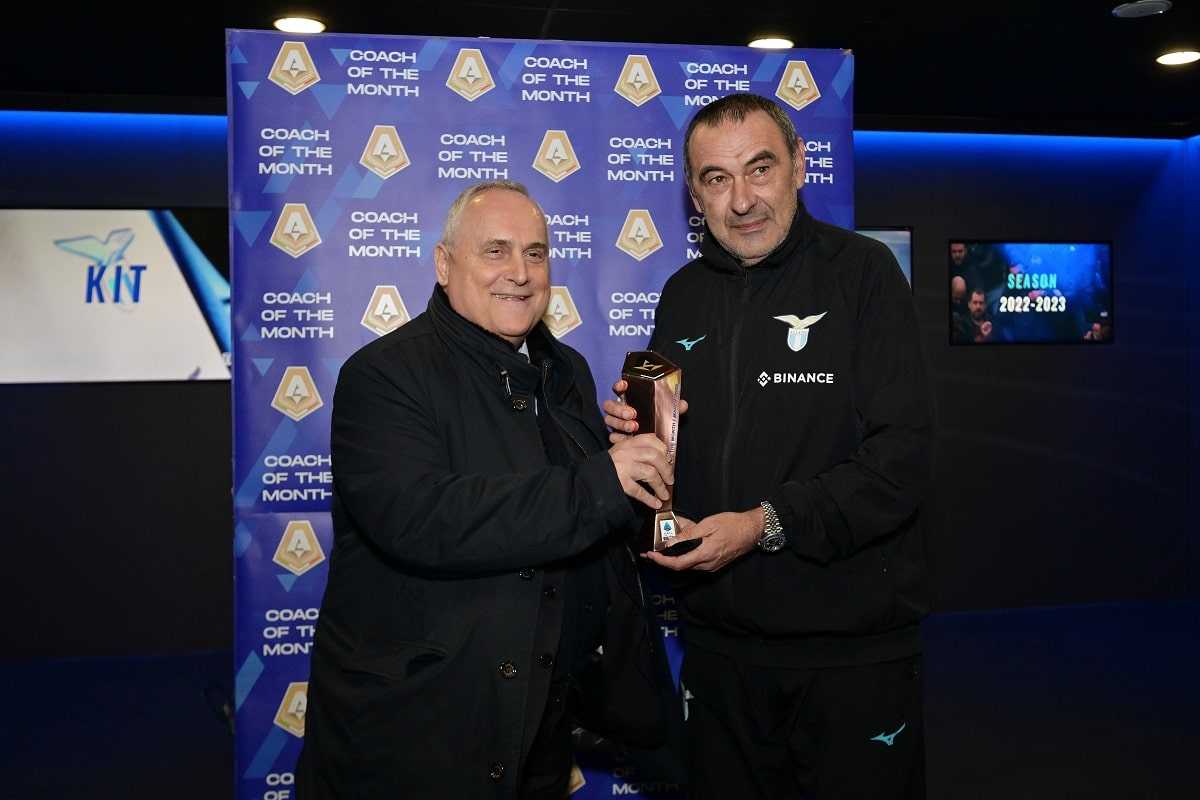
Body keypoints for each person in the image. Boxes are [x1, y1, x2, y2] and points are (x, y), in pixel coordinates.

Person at [296, 180, 679, 799]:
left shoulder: (567, 370)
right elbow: (425, 519)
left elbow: (586, 521)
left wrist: (648, 473)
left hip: (538, 729)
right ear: (445, 265)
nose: (521, 273)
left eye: (535, 252)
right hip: (419, 736)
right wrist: (602, 480)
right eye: (495, 251)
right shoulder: (384, 375)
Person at [604, 94, 936, 799]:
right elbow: (673, 446)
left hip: (851, 656)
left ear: (799, 168)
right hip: (720, 653)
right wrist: (639, 440)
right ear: (695, 193)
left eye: (760, 168)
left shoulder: (865, 273)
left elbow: (899, 463)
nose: (743, 198)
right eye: (717, 178)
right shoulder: (681, 293)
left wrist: (764, 525)